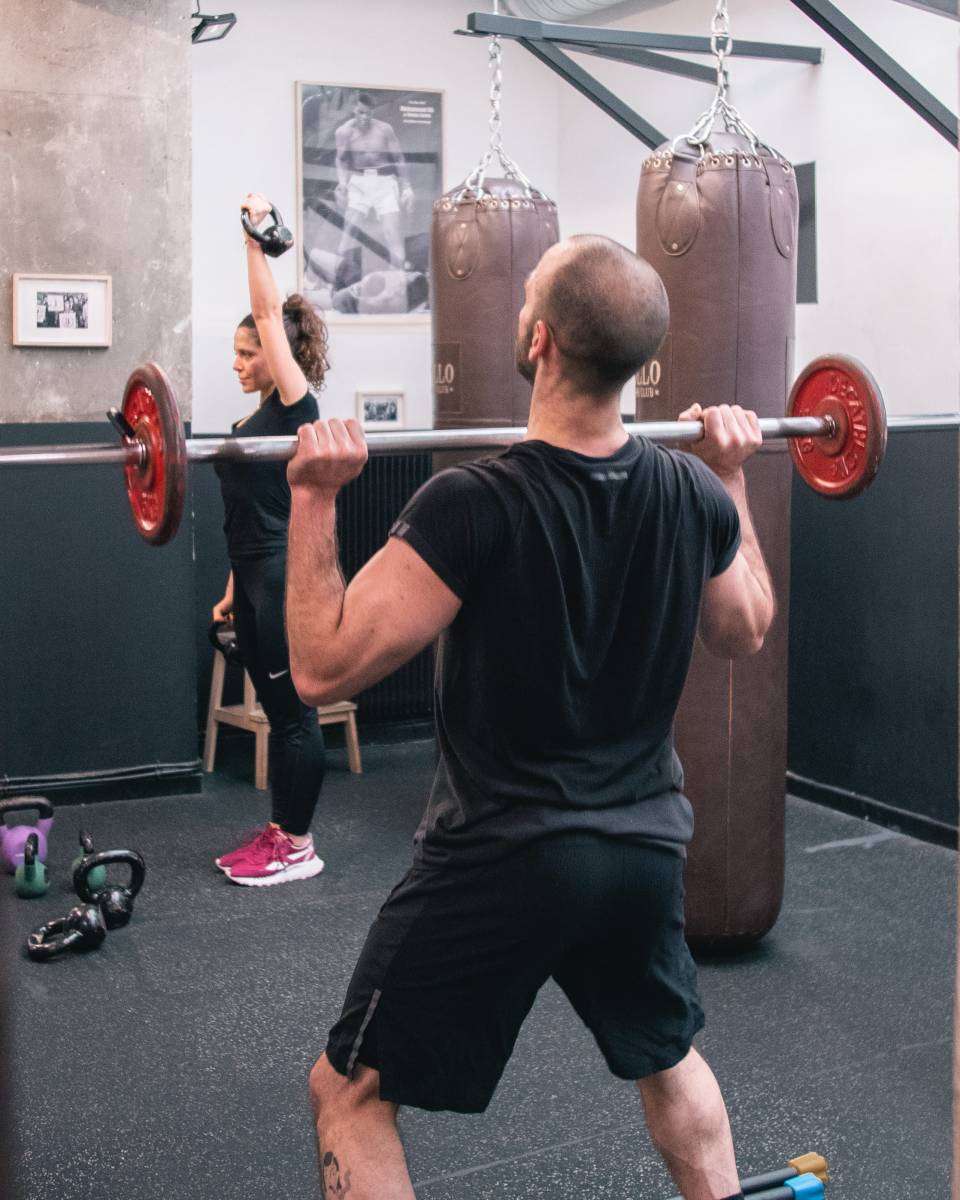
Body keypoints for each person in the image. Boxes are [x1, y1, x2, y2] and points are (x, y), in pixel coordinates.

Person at [285, 234, 775, 1200]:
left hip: (503, 857)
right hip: (641, 849)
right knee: (669, 1061)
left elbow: (319, 668)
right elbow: (746, 626)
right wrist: (732, 476)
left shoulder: (473, 503)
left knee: (348, 1092)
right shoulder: (689, 491)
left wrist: (311, 498)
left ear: (539, 338)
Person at [210, 191, 331, 888]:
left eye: (247, 353)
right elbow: (252, 510)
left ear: (277, 354)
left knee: (291, 716)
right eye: (236, 354)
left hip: (283, 580)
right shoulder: (258, 421)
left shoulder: (296, 406)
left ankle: (299, 843)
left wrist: (254, 241)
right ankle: (282, 826)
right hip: (252, 580)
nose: (238, 363)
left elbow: (266, 311)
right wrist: (230, 592)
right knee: (277, 709)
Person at [334, 93, 414, 269]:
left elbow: (398, 158)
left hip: (384, 182)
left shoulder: (384, 129)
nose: (364, 117)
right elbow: (341, 159)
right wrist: (342, 183)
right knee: (349, 230)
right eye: (360, 112)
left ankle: (398, 277)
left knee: (392, 232)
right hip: (358, 181)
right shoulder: (343, 132)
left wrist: (406, 187)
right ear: (353, 109)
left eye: (368, 113)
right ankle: (338, 277)